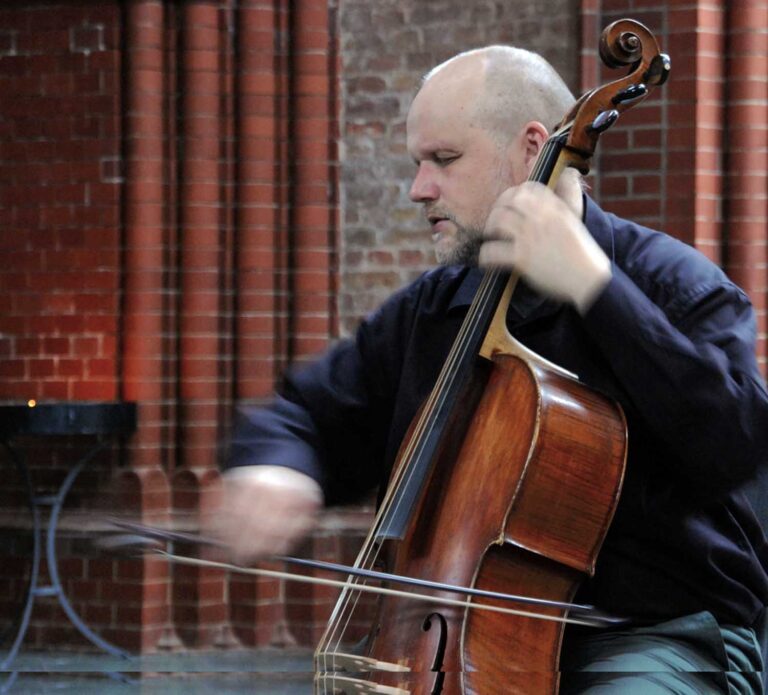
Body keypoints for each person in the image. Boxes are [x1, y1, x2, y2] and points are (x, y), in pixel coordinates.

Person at [209, 46, 768, 693]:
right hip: (464, 633)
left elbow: (731, 444)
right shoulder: (436, 307)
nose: (420, 188)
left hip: (656, 635)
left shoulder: (672, 282)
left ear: (532, 149)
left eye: (443, 160)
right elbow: (305, 410)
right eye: (419, 163)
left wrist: (598, 291)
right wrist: (276, 465)